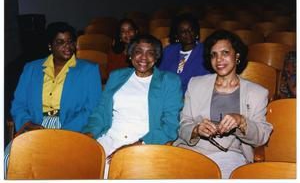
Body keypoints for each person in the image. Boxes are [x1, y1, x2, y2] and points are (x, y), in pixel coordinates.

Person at [4, 22, 102, 177]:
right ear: (50, 46)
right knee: (11, 161)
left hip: (71, 126)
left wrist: (64, 132)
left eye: (70, 41)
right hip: (35, 124)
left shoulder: (89, 70)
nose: (67, 46)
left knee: (59, 166)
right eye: (60, 42)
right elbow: (18, 104)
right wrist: (27, 123)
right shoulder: (31, 68)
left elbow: (92, 108)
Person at [173, 30, 273, 179]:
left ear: (237, 55)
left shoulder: (257, 93)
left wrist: (241, 121)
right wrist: (196, 129)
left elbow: (261, 137)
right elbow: (183, 124)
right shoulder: (196, 84)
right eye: (214, 55)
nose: (219, 60)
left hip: (229, 154)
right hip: (191, 150)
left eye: (225, 53)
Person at [83, 34, 183, 178]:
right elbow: (100, 113)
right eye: (138, 51)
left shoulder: (169, 81)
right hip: (109, 137)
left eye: (150, 53)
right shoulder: (117, 76)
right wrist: (88, 136)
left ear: (156, 58)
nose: (144, 57)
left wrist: (135, 146)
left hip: (145, 142)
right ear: (130, 55)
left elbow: (170, 126)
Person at [159, 13, 210, 93]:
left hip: (194, 97)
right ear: (176, 35)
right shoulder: (169, 51)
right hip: (169, 96)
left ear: (196, 31)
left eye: (191, 30)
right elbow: (161, 76)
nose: (188, 33)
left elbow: (206, 81)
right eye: (183, 31)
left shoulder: (205, 51)